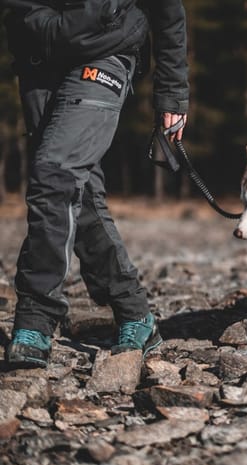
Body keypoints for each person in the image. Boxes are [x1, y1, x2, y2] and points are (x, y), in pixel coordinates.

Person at [1, 0, 189, 368]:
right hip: (37, 58)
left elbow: (168, 11)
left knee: (56, 173)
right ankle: (135, 314)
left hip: (107, 51)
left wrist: (172, 93)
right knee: (77, 190)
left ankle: (36, 317)